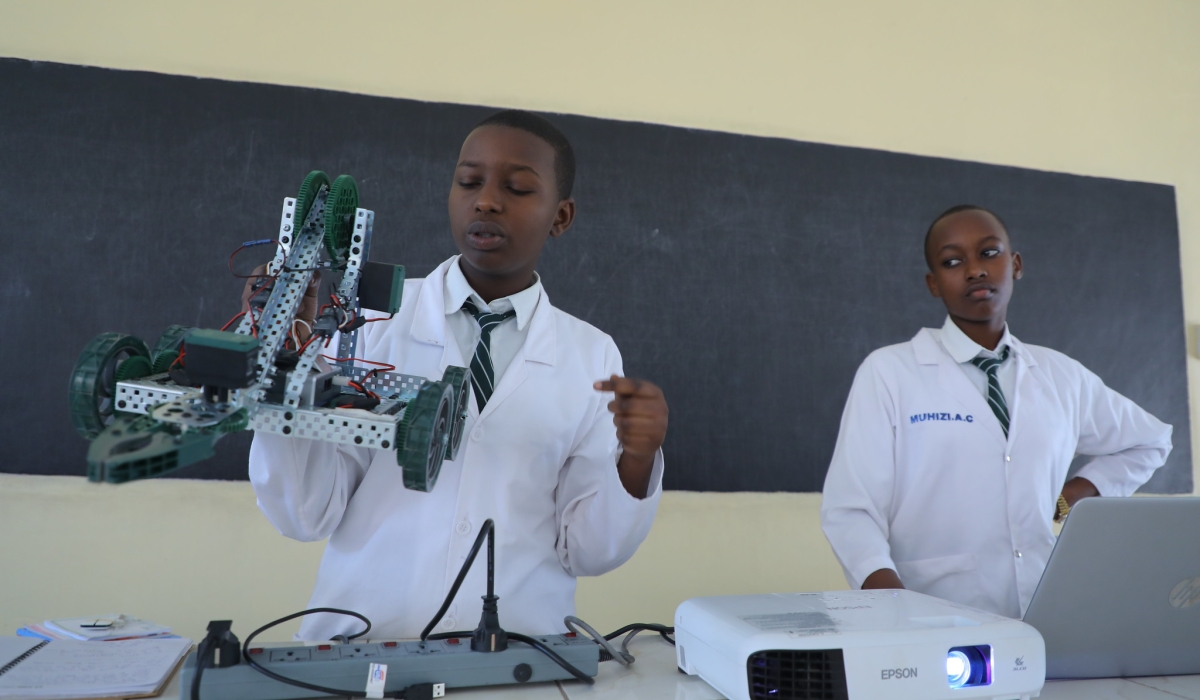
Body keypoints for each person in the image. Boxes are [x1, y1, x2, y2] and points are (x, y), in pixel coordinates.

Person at [247, 110, 669, 640]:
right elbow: (304, 514)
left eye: (517, 188)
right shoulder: (369, 325)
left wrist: (637, 458)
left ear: (560, 217)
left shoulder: (592, 355)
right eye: (469, 181)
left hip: (519, 655)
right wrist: (283, 361)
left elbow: (589, 550)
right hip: (362, 645)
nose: (486, 201)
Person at [820, 204, 1172, 618]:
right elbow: (851, 510)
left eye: (989, 253)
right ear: (933, 283)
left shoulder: (1061, 375)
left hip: (1046, 612)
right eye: (953, 262)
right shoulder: (890, 372)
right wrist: (896, 608)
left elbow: (1150, 441)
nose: (975, 270)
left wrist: (1070, 497)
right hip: (932, 614)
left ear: (1016, 264)